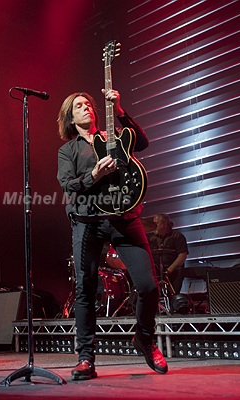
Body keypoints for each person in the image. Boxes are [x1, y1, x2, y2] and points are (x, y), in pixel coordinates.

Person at [56, 89, 167, 380]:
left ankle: (144, 339)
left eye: (88, 104)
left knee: (148, 286)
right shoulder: (68, 151)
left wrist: (118, 110)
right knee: (85, 289)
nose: (86, 108)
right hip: (88, 220)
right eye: (78, 106)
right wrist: (94, 175)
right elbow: (68, 185)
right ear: (70, 118)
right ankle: (86, 358)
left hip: (123, 218)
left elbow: (142, 142)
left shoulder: (115, 137)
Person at [147, 214, 188, 295]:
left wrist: (170, 270)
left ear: (165, 224)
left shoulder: (177, 236)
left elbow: (182, 255)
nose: (153, 226)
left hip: (174, 271)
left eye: (156, 224)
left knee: (172, 295)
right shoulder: (151, 238)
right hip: (156, 272)